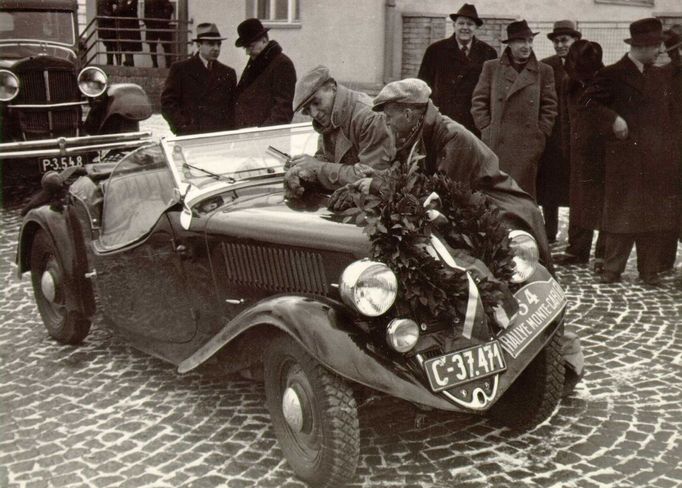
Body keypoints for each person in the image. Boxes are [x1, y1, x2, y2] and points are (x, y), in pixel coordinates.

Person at [581, 18, 680, 285]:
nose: (661, 51)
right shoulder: (612, 73)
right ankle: (612, 270)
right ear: (643, 46)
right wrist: (613, 119)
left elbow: (671, 116)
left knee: (653, 217)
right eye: (657, 46)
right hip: (624, 158)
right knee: (621, 215)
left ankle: (650, 272)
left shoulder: (660, 76)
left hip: (655, 158)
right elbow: (588, 103)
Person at [471, 20, 558, 199]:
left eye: (529, 41)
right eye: (521, 41)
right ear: (509, 44)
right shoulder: (492, 67)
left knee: (522, 198)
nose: (527, 46)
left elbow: (550, 107)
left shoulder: (544, 71)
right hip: (497, 145)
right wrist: (487, 129)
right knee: (496, 198)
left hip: (528, 147)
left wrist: (540, 133)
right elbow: (478, 101)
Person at [283, 66, 394, 198]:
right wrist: (302, 171)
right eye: (307, 110)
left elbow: (372, 179)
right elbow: (325, 159)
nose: (314, 113)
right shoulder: (330, 117)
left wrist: (316, 167)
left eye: (317, 103)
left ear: (332, 88)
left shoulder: (369, 117)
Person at [417, 3, 497, 136]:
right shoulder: (435, 50)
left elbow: (492, 91)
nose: (465, 27)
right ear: (454, 25)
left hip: (473, 121)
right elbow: (423, 85)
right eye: (461, 23)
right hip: (443, 118)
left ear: (476, 27)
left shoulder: (488, 53)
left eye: (470, 24)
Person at [562, 40, 606, 271]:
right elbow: (566, 119)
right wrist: (566, 148)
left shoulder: (606, 81)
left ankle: (603, 256)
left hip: (603, 153)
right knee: (578, 202)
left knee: (603, 204)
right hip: (579, 151)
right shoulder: (569, 82)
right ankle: (577, 250)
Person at [537, 20, 581, 246]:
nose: (560, 45)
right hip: (553, 137)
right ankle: (550, 232)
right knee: (549, 189)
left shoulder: (586, 65)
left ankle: (576, 238)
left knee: (576, 189)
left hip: (576, 137)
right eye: (556, 41)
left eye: (564, 40)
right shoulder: (545, 66)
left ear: (575, 41)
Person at [161, 23, 237, 135]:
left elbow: (232, 108)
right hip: (191, 136)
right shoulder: (181, 69)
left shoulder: (228, 73)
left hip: (219, 137)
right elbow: (168, 103)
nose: (216, 48)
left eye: (219, 44)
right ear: (198, 45)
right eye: (211, 44)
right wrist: (182, 127)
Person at [233, 18, 296, 129]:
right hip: (249, 136)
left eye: (250, 46)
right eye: (245, 48)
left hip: (264, 138)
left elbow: (283, 110)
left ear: (264, 40)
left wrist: (261, 135)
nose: (247, 52)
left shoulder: (282, 64)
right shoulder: (258, 60)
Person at [143, 0, 174, 68]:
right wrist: (146, 20)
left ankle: (168, 65)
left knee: (166, 45)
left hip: (161, 25)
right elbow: (146, 11)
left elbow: (170, 8)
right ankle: (155, 64)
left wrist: (163, 19)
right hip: (151, 26)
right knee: (152, 45)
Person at [115, 0, 142, 67]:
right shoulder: (125, 2)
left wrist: (121, 7)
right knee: (127, 48)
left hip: (129, 28)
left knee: (128, 47)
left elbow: (124, 10)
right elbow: (118, 11)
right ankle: (129, 64)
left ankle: (129, 64)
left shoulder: (132, 2)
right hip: (126, 29)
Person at [96, 0, 118, 65]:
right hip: (108, 25)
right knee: (112, 45)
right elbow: (104, 12)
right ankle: (112, 63)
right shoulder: (102, 2)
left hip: (107, 26)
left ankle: (111, 63)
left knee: (111, 46)